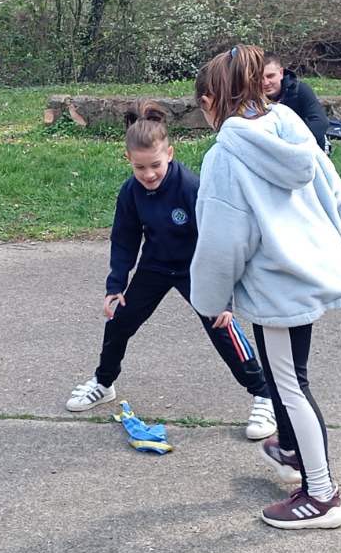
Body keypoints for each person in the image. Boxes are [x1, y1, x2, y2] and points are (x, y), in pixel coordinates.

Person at [190, 45, 341, 531]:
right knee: (289, 375)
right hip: (305, 270)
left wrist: (211, 300)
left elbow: (223, 241)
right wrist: (336, 247)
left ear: (210, 101)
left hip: (279, 285)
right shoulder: (289, 124)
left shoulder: (226, 156)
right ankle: (290, 449)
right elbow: (335, 194)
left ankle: (321, 495)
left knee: (290, 386)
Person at [64, 100, 278, 442]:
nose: (148, 175)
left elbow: (218, 240)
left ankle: (265, 395)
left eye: (155, 165)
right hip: (157, 265)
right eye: (139, 167)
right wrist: (116, 285)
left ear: (170, 154)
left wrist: (223, 298)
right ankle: (103, 383)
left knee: (222, 329)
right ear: (128, 160)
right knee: (119, 321)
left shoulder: (192, 188)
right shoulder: (131, 192)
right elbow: (124, 239)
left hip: (198, 267)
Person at [261, 55, 329, 151]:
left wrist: (289, 144)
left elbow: (320, 122)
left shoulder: (300, 90)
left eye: (270, 76)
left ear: (281, 73)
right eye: (260, 78)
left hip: (305, 146)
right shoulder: (251, 96)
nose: (266, 82)